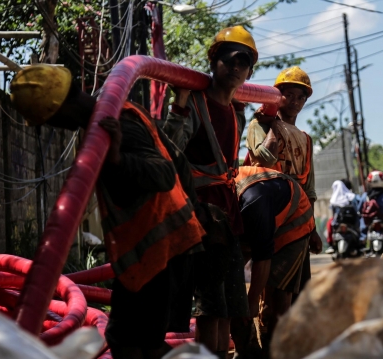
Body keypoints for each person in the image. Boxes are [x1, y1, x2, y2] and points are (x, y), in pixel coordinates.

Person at [10, 64, 206, 359]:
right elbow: (176, 161)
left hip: (162, 249)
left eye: (49, 121)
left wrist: (117, 160)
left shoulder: (117, 124)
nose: (52, 127)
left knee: (139, 342)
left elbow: (164, 174)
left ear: (60, 110)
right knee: (130, 338)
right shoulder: (107, 120)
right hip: (156, 250)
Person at [161, 25, 257, 358]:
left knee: (227, 307)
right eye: (229, 59)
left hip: (226, 217)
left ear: (249, 71)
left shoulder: (234, 112)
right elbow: (168, 151)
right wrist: (179, 104)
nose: (235, 67)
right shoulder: (196, 105)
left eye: (243, 62)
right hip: (201, 219)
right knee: (209, 307)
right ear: (214, 61)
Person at [244, 66, 321, 299]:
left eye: (301, 97)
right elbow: (264, 158)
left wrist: (313, 229)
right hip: (269, 212)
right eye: (289, 94)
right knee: (273, 294)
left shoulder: (305, 139)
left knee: (296, 295)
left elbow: (309, 188)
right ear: (277, 95)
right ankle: (261, 332)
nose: (295, 101)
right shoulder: (260, 124)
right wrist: (275, 125)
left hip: (298, 218)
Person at [235, 166, 319, 358]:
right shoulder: (221, 190)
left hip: (294, 220)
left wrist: (252, 299)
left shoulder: (254, 206)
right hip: (267, 205)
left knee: (279, 297)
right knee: (232, 293)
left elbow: (262, 257)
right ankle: (249, 348)